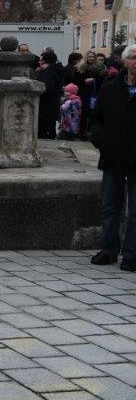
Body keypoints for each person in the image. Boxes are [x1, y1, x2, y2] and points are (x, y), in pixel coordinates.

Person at [88, 44, 136, 271]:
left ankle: (132, 253)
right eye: (133, 57)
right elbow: (96, 118)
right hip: (113, 155)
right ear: (124, 62)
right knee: (109, 207)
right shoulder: (109, 88)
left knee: (135, 210)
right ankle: (108, 249)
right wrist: (101, 140)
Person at [77, 50, 106, 140]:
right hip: (84, 93)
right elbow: (76, 81)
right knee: (84, 113)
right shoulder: (81, 67)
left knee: (93, 113)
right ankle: (82, 133)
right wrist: (85, 81)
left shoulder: (99, 67)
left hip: (95, 93)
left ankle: (91, 132)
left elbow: (103, 78)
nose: (92, 58)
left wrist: (95, 80)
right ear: (86, 57)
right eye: (90, 56)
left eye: (93, 56)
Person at [36, 51, 65, 139]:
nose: (39, 62)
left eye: (41, 60)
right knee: (50, 129)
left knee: (43, 132)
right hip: (52, 105)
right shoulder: (56, 70)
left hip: (45, 107)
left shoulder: (48, 73)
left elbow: (45, 89)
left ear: (44, 61)